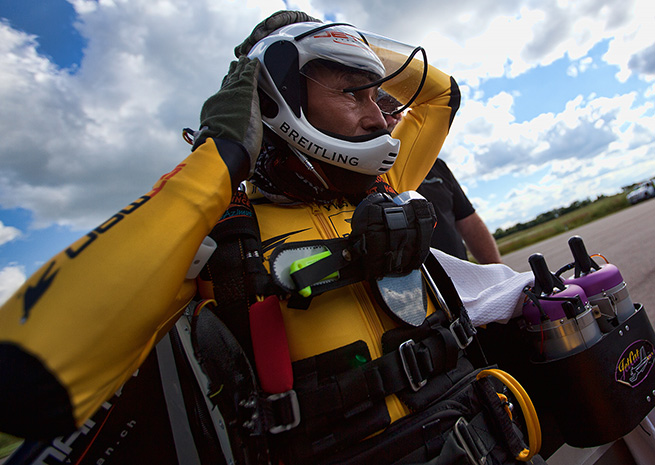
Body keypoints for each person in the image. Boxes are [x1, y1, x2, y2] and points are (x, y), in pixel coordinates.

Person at [0, 11, 543, 465]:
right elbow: (29, 371)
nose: (380, 119)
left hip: (480, 434)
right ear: (280, 98)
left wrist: (325, 39)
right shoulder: (218, 229)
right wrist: (218, 157)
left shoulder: (385, 185)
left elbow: (440, 94)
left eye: (380, 98)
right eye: (355, 93)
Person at [377, 90, 501, 264]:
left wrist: (499, 274)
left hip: (461, 284)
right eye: (383, 111)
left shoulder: (435, 165)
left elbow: (468, 221)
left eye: (398, 109)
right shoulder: (366, 173)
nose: (393, 119)